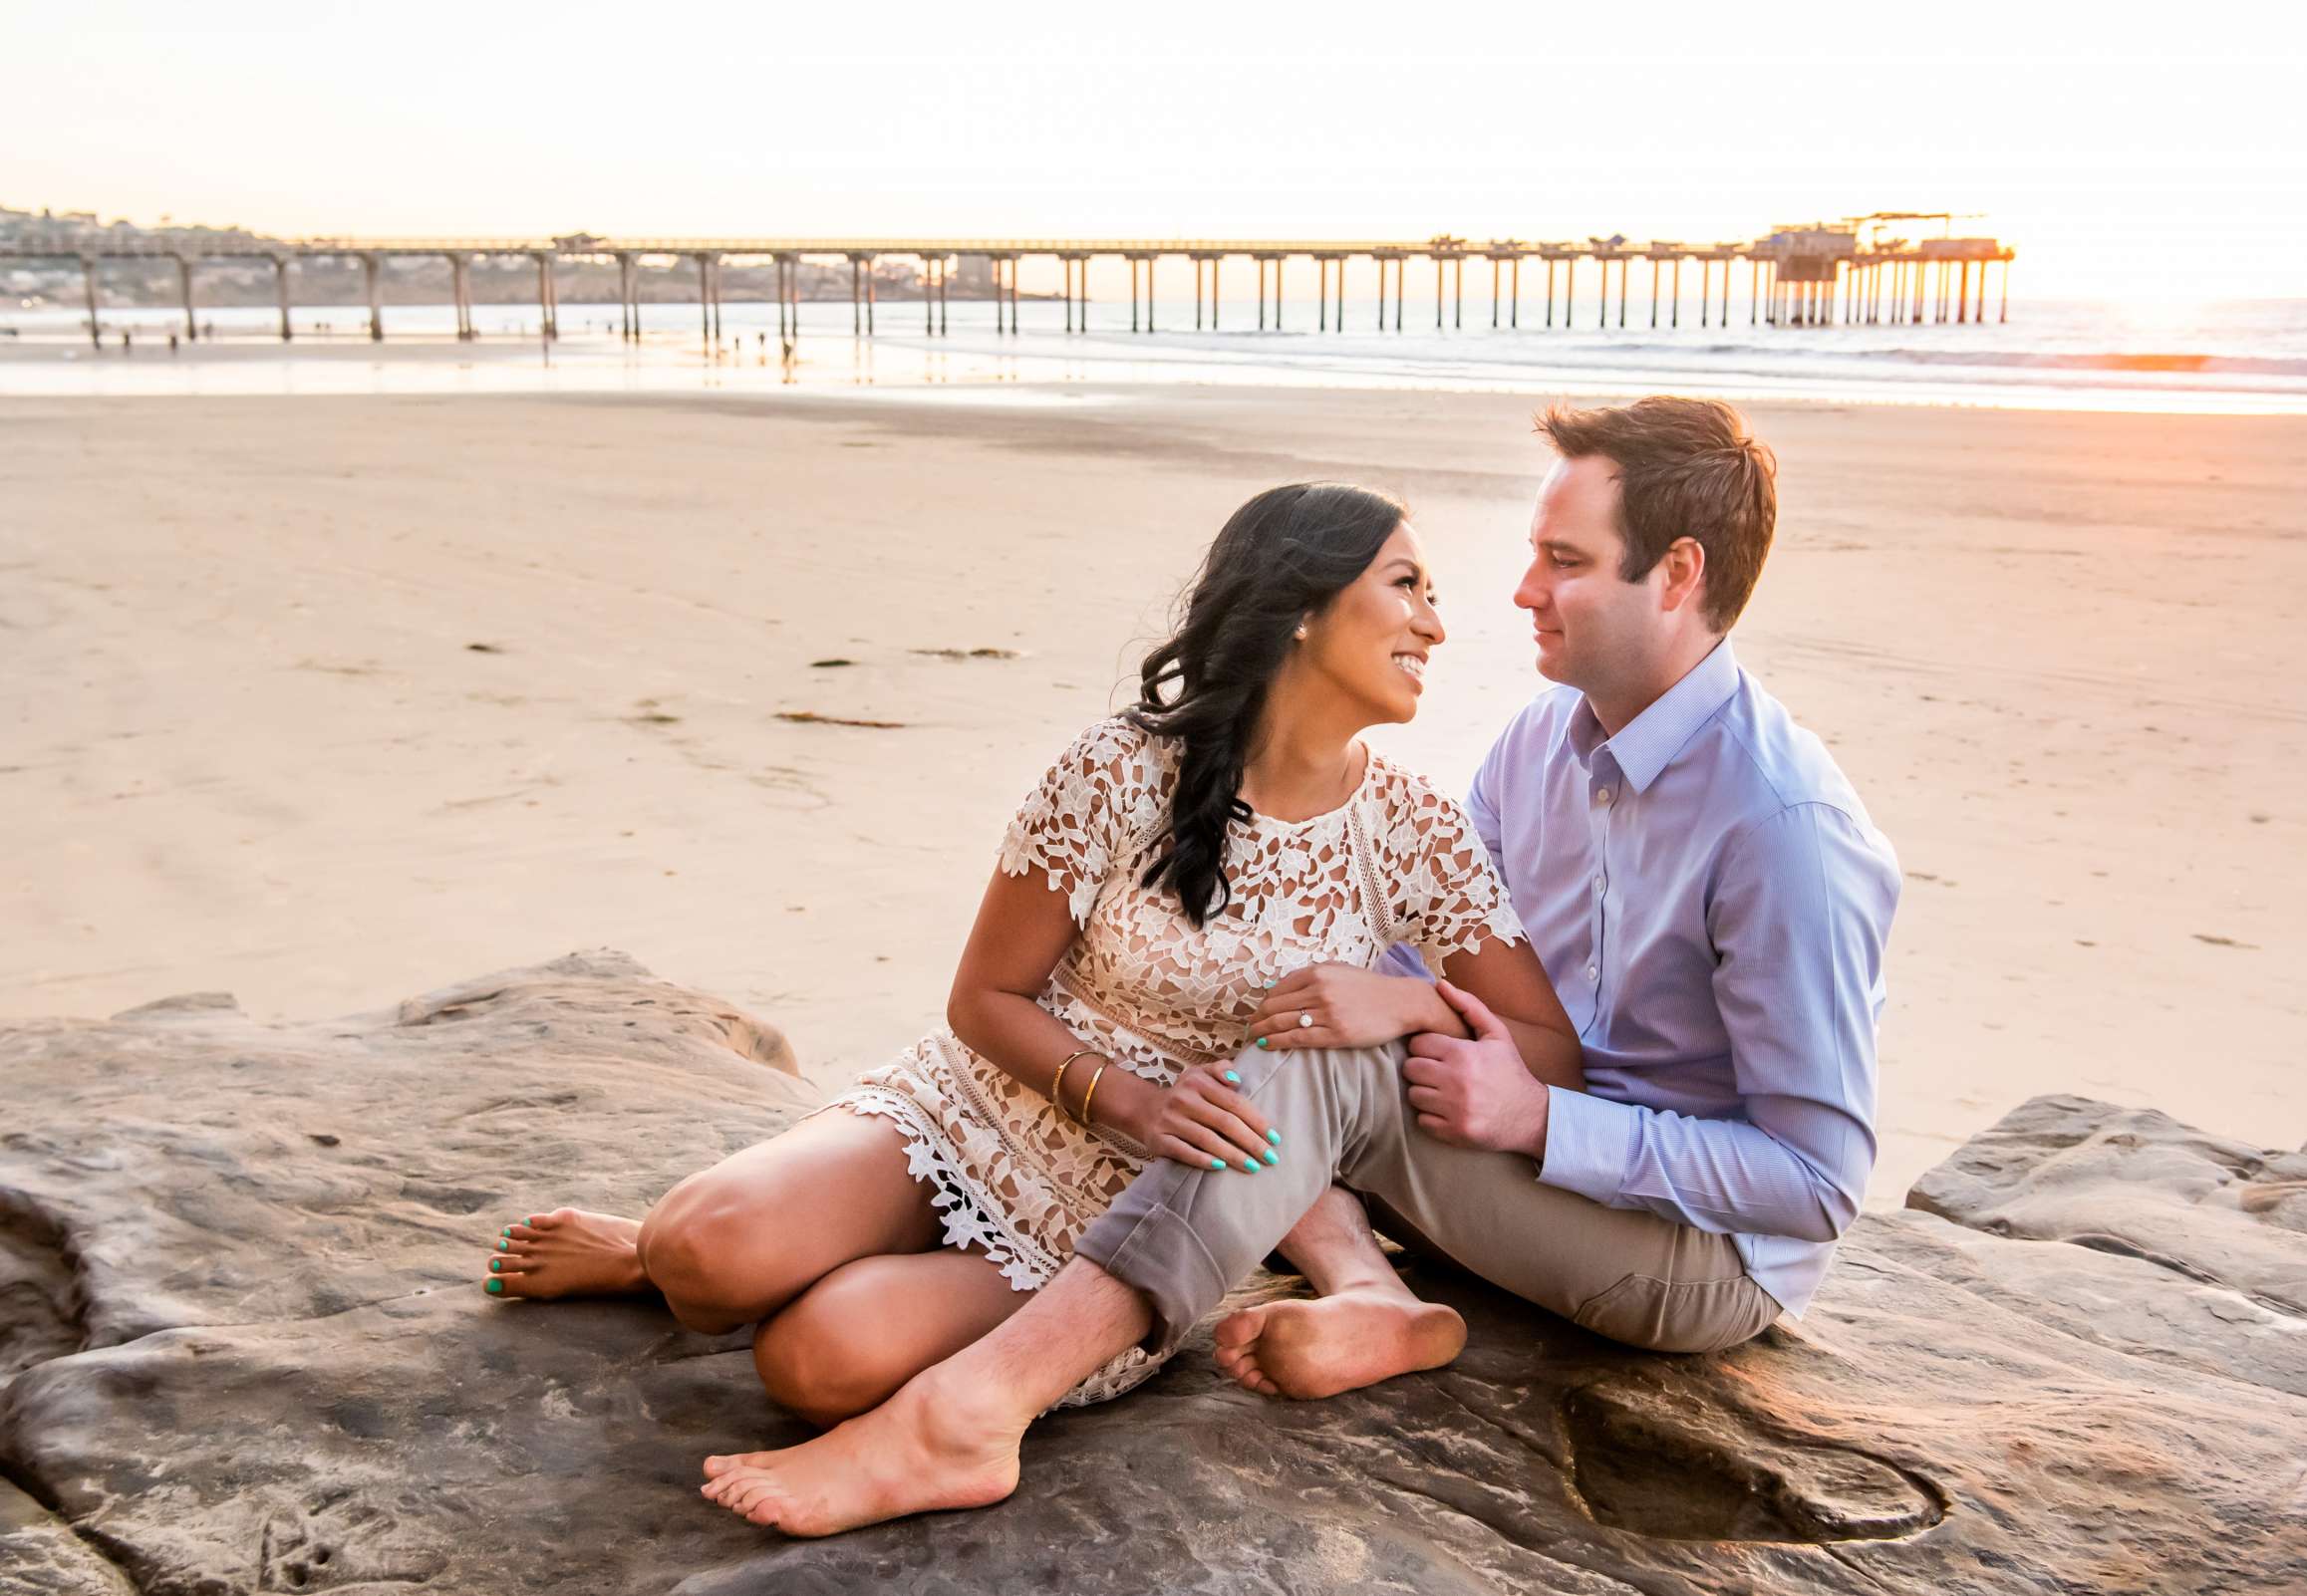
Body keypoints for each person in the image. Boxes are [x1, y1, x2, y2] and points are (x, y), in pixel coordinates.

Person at [693, 395, 1902, 1537]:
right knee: (1309, 1049)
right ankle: (1367, 1294)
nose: (1521, 591)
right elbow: (1404, 958)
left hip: (1689, 1252)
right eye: (1534, 554)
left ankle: (972, 1411)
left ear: (1678, 574)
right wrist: (1432, 1010)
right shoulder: (1541, 744)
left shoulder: (1785, 831)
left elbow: (1815, 1183)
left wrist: (1545, 1116)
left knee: (1307, 1073)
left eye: (1566, 563)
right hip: (1496, 1154)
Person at [481, 481, 1581, 1424]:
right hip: (985, 1105)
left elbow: (1553, 1054)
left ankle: (844, 1283)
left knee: (815, 1364)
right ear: (1300, 607)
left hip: (1141, 1220)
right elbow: (985, 998)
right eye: (1408, 586)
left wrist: (1412, 1008)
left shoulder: (1412, 830)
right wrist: (1129, 1099)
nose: (1436, 625)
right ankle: (647, 1256)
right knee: (702, 1249)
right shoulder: (1116, 770)